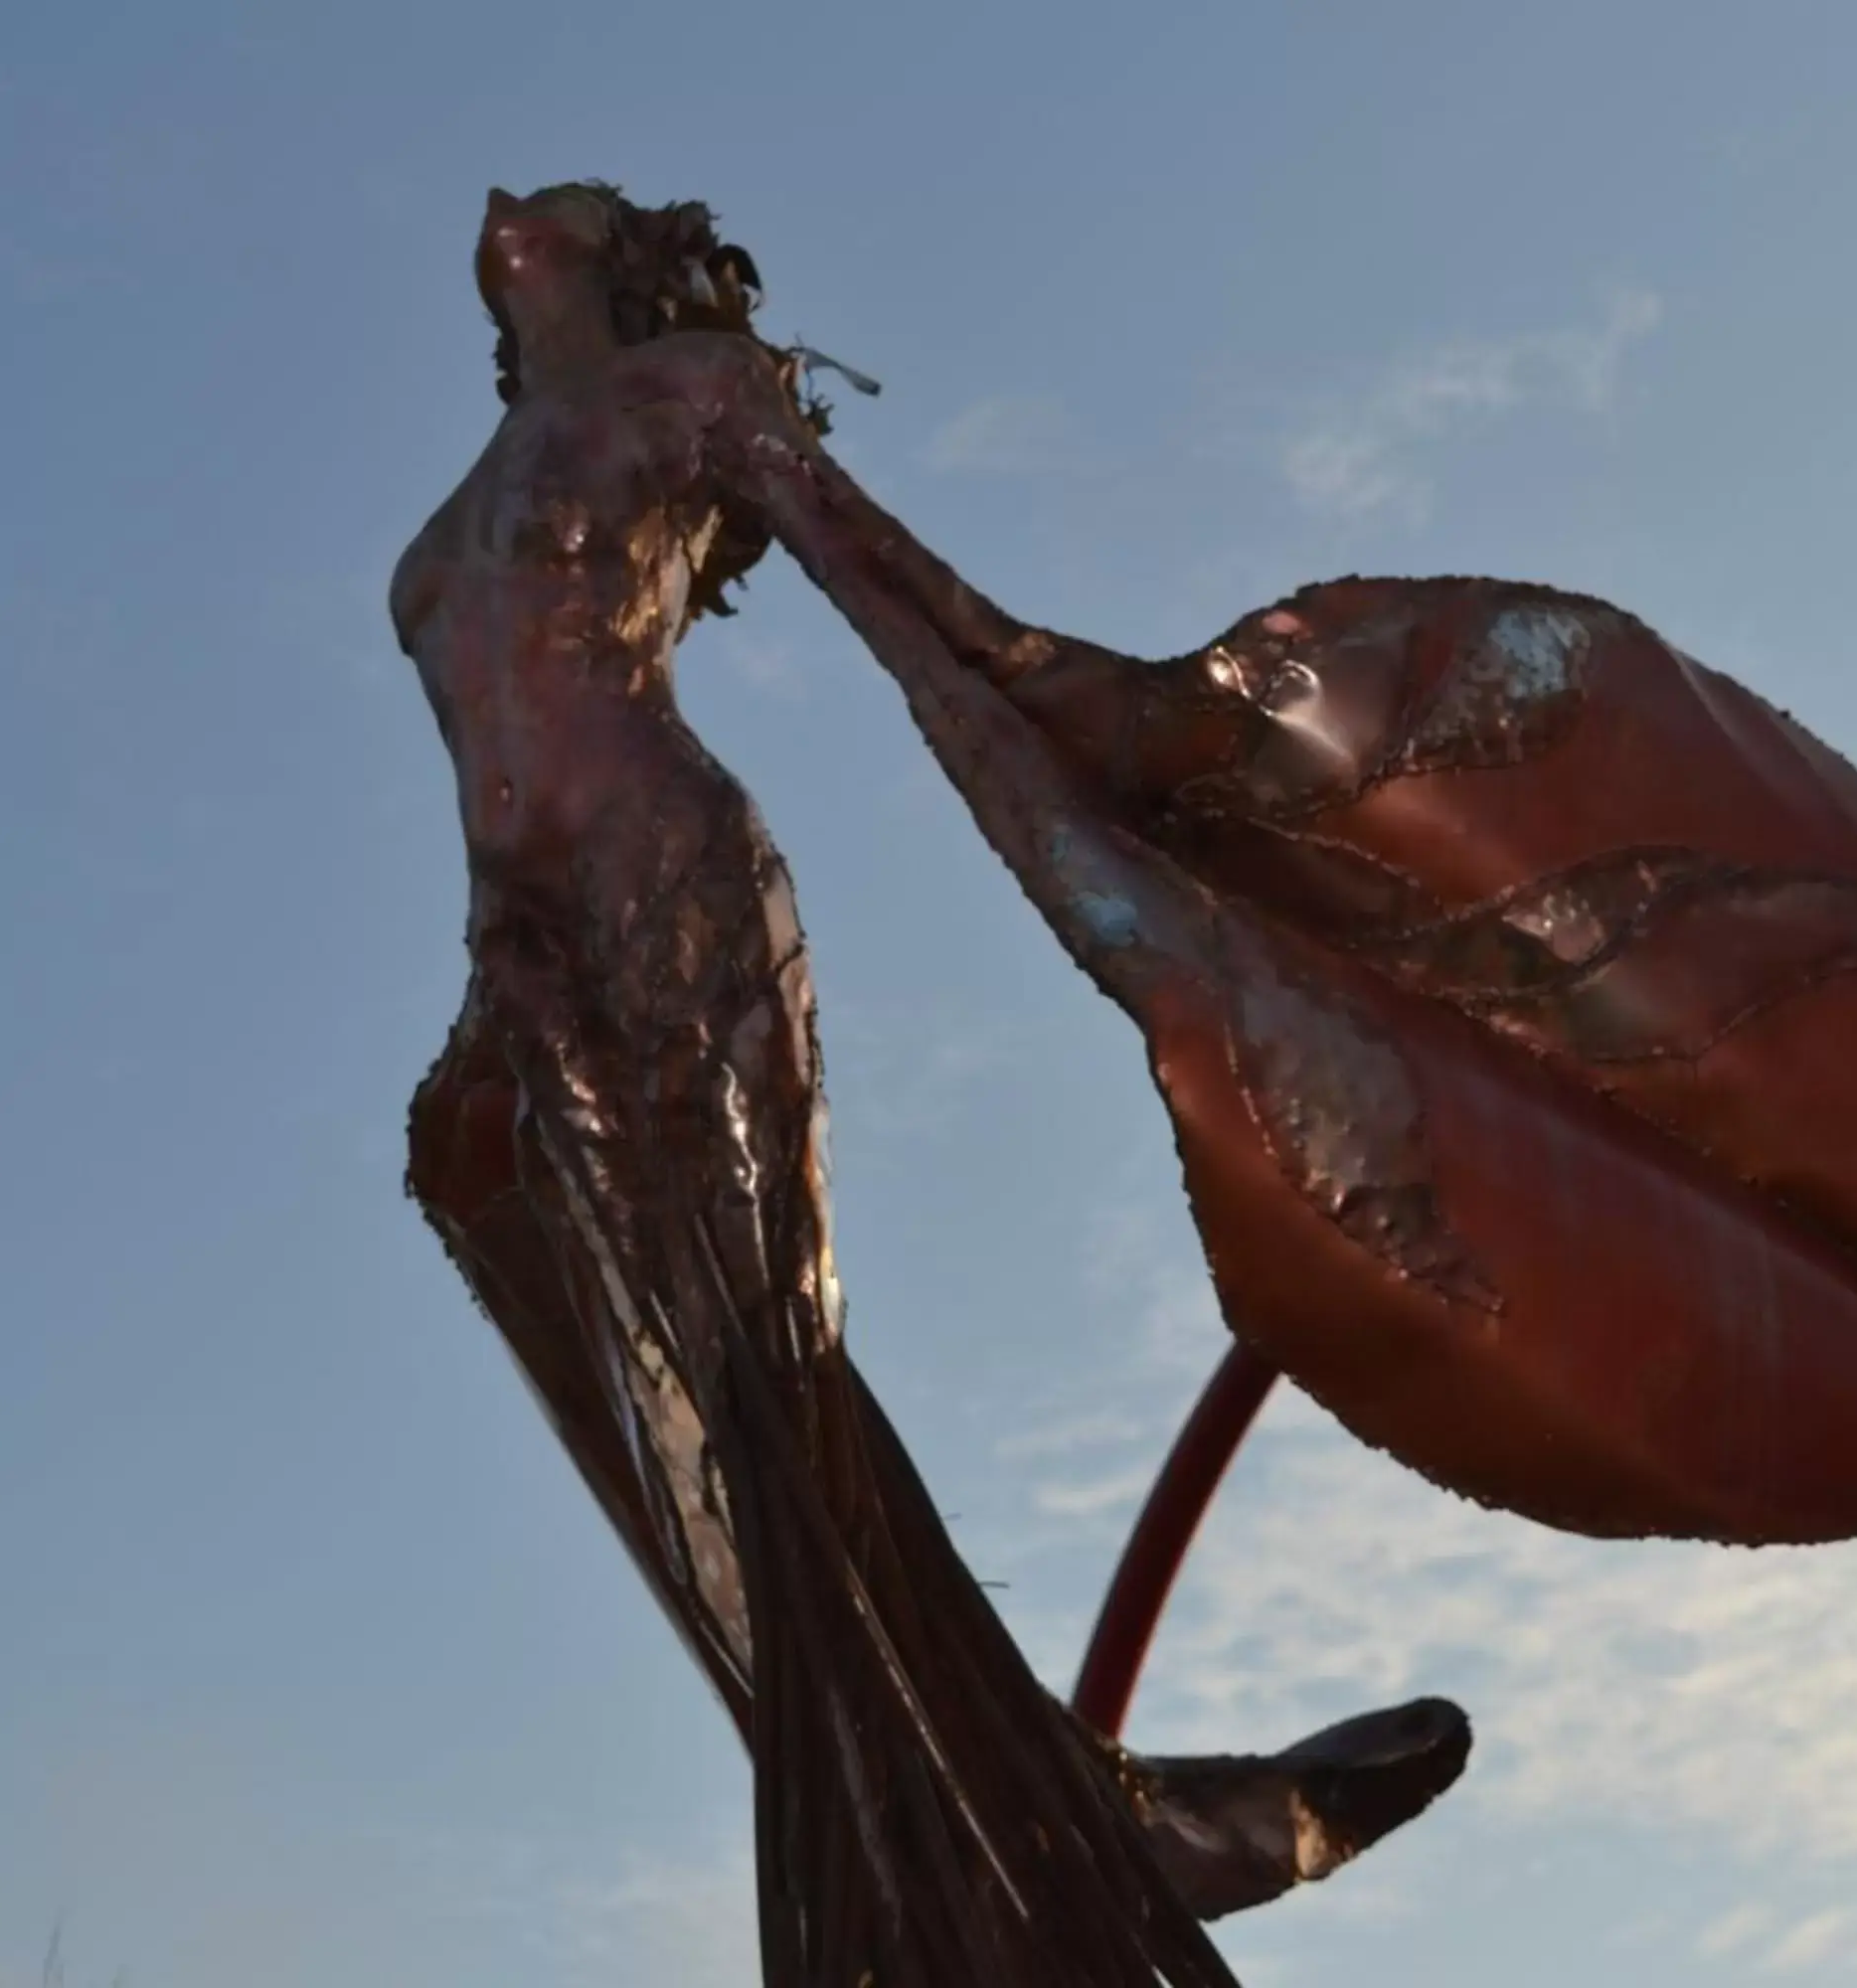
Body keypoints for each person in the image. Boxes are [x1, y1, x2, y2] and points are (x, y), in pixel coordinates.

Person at [390, 183, 1465, 1988]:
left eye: (583, 195)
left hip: (671, 896)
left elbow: (918, 614)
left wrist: (1153, 767)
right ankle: (1084, 1820)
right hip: (529, 965)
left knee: (771, 1394)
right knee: (685, 1440)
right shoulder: (434, 541)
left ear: (626, 262)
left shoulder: (692, 393)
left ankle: (1073, 1841)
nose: (525, 197)